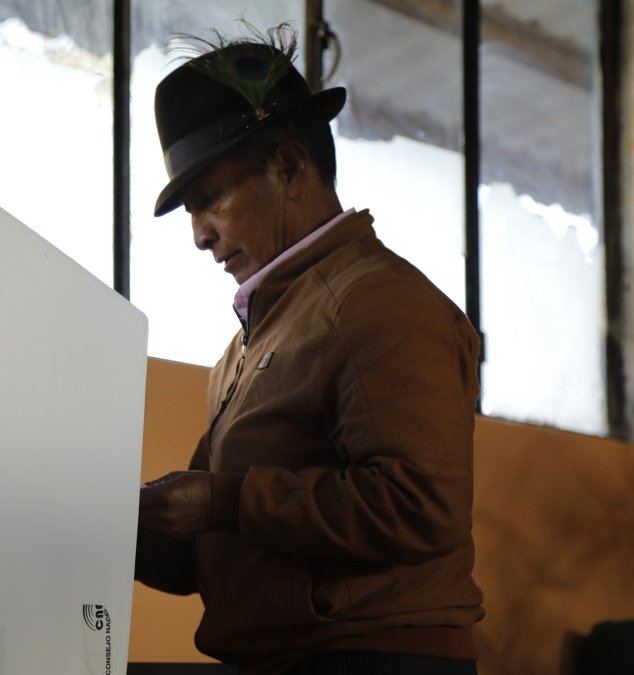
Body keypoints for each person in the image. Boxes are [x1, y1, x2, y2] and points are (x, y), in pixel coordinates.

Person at [135, 25, 485, 675]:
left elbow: (421, 506)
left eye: (209, 199)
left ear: (290, 166)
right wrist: (115, 520)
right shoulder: (249, 347)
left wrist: (219, 500)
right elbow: (214, 547)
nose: (199, 236)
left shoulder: (380, 304)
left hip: (371, 658)